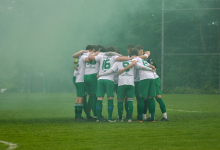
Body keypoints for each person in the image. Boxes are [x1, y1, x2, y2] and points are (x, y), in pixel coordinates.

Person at [89, 46, 133, 122]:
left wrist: (91, 53)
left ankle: (98, 118)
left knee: (99, 98)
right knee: (110, 98)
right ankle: (109, 118)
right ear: (113, 51)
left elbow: (91, 58)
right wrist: (129, 58)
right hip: (109, 79)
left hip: (100, 79)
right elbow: (120, 59)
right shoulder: (114, 56)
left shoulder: (101, 56)